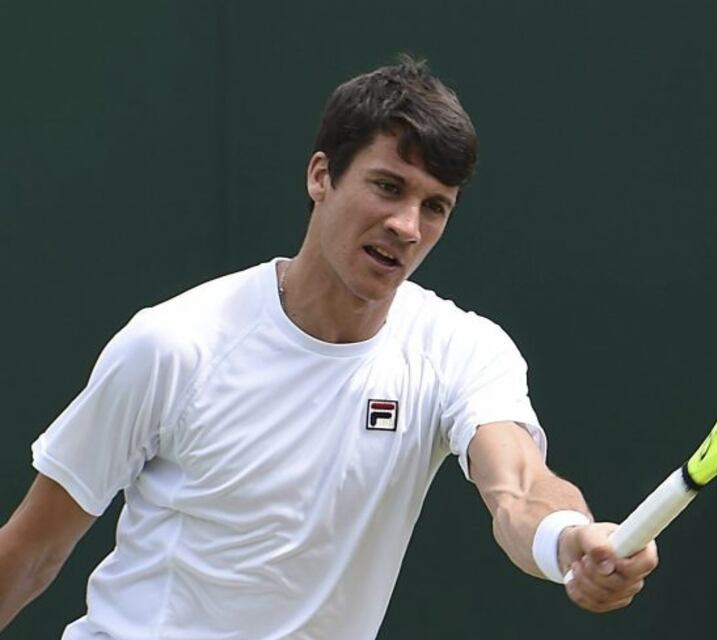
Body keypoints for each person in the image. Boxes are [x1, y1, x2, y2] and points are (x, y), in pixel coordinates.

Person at [0, 55, 658, 639]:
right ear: (322, 176)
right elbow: (30, 553)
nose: (406, 226)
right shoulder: (172, 345)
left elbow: (518, 488)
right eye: (388, 186)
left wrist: (569, 539)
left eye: (436, 206)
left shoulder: (461, 350)